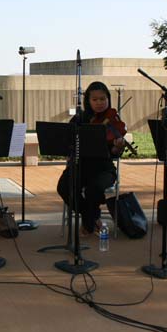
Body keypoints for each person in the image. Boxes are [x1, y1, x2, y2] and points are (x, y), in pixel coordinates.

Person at [56, 81, 126, 236]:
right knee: (64, 187)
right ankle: (92, 217)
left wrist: (118, 147)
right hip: (80, 166)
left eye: (103, 99)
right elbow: (69, 141)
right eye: (95, 100)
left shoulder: (113, 120)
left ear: (108, 99)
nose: (99, 103)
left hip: (103, 169)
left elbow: (114, 153)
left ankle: (88, 223)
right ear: (88, 100)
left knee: (94, 189)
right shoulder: (79, 119)